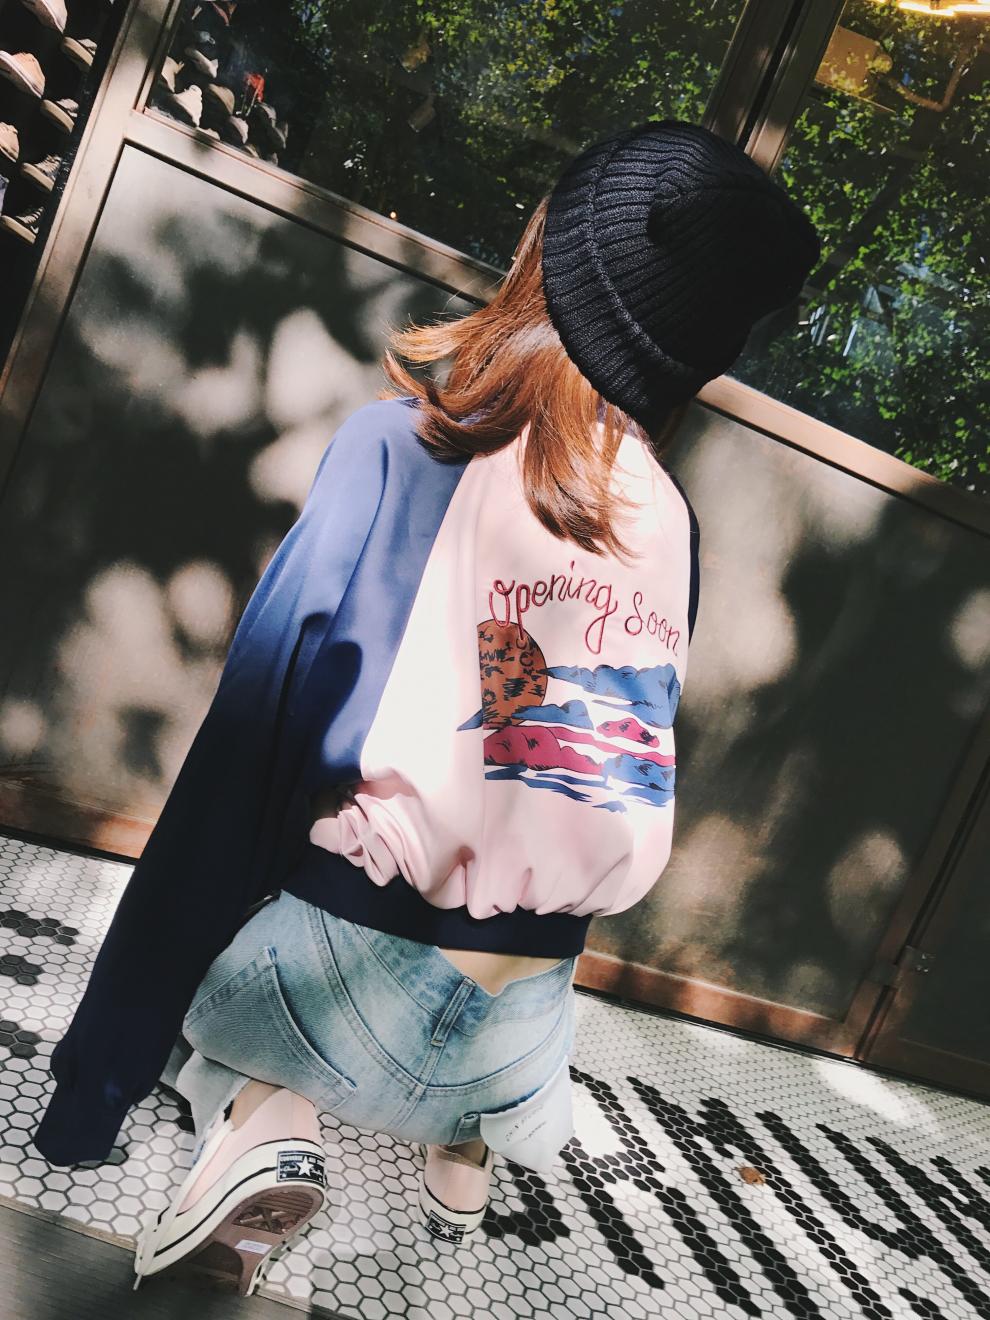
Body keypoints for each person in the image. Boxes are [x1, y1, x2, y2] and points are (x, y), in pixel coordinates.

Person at [32, 120, 819, 1295]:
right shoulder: (670, 525)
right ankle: (463, 1155)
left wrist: (92, 1089)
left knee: (239, 972)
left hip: (331, 990)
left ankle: (258, 1120)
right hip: (520, 1040)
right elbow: (571, 778)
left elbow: (242, 769)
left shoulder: (406, 451)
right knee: (528, 798)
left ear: (545, 255)